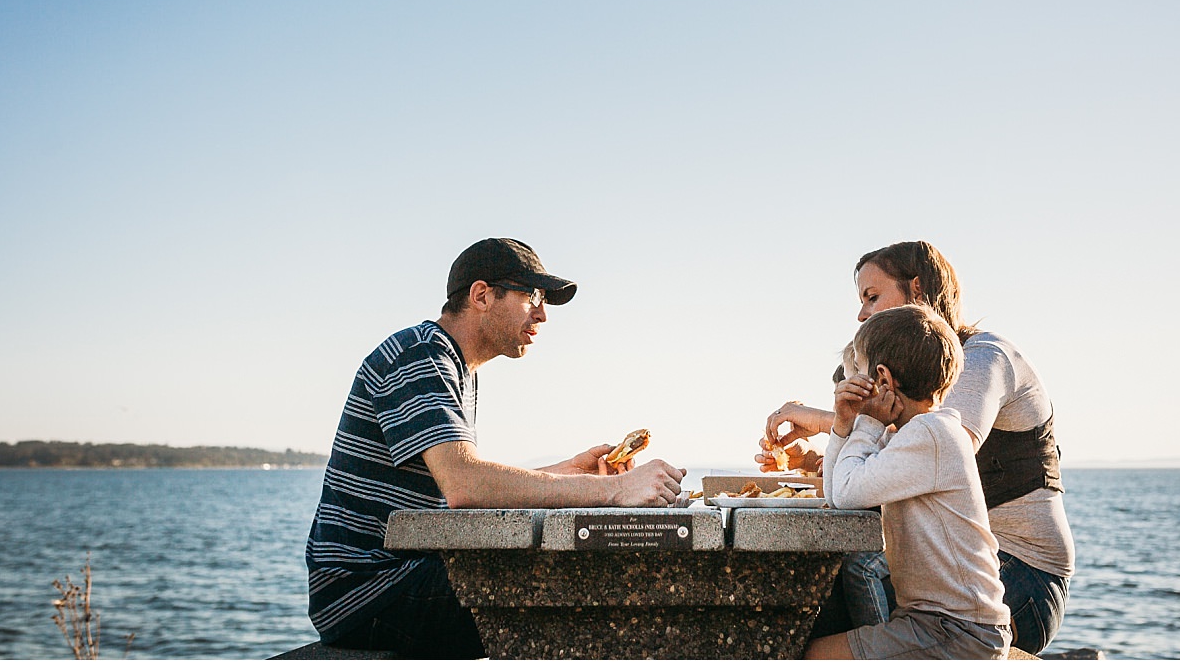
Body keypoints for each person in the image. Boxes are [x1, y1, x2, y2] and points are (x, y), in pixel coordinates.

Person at [305, 237, 687, 658]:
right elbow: (465, 485)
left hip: (399, 577)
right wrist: (617, 490)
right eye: (532, 297)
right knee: (587, 604)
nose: (542, 314)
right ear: (482, 295)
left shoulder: (450, 362)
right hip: (370, 591)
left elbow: (468, 480)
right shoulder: (418, 356)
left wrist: (570, 471)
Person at [765, 241, 1074, 654]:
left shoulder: (979, 361)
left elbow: (930, 448)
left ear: (918, 291)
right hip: (953, 577)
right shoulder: (921, 425)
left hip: (1022, 576)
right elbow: (888, 469)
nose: (860, 314)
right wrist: (827, 450)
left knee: (858, 568)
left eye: (872, 297)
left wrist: (838, 421)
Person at [803, 304, 1011, 659]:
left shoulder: (931, 435)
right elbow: (837, 494)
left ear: (882, 378)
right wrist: (842, 424)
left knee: (817, 656)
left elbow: (848, 493)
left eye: (863, 372)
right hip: (937, 620)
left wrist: (865, 423)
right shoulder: (910, 435)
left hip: (961, 628)